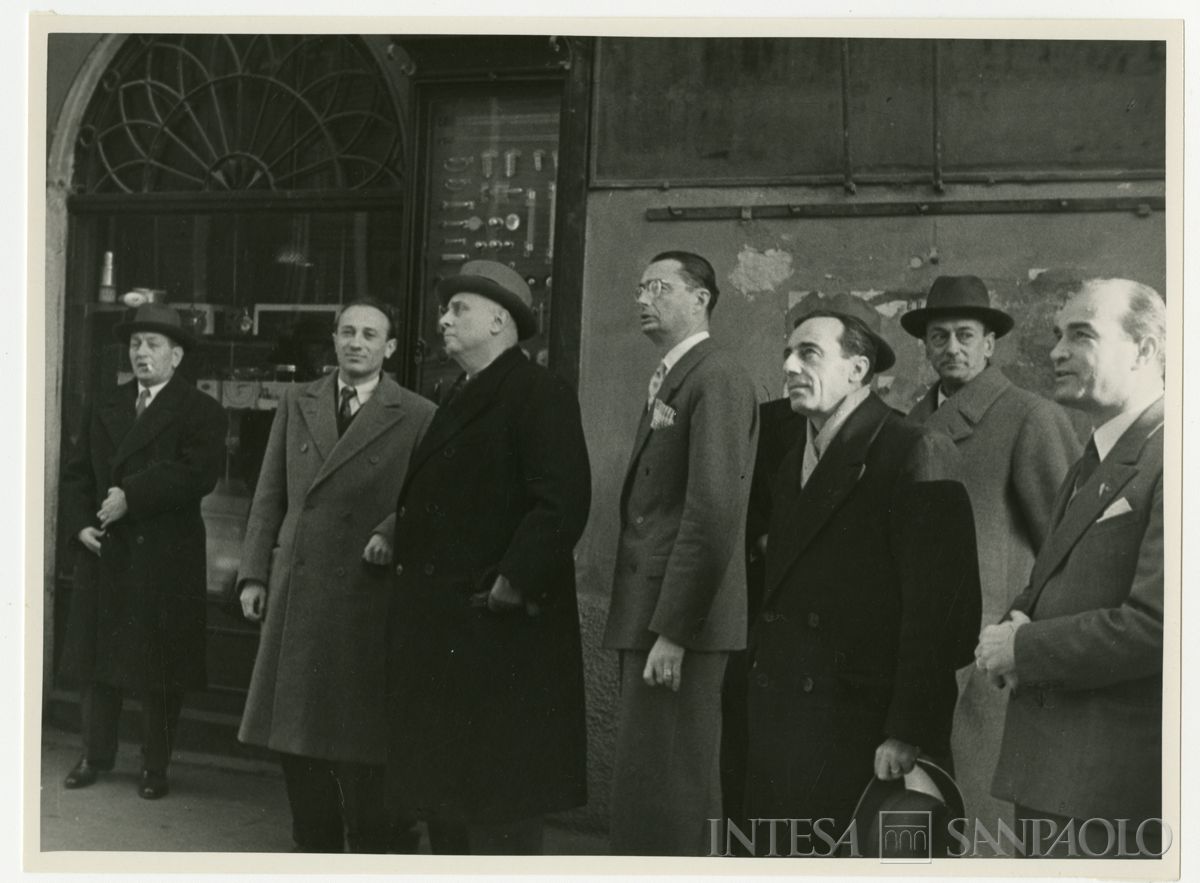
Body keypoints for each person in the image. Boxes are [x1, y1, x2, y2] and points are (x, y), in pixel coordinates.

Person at [743, 304, 980, 845]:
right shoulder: (793, 458)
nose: (790, 367)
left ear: (857, 370)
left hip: (865, 732)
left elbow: (944, 615)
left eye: (809, 353)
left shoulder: (915, 448)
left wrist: (908, 731)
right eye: (787, 354)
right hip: (787, 718)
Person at [384, 261, 591, 855]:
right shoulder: (460, 393)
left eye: (459, 309)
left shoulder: (538, 392)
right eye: (445, 310)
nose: (443, 321)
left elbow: (562, 502)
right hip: (447, 630)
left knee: (498, 806)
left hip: (495, 631)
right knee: (448, 798)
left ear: (500, 320)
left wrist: (512, 581)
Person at [235, 300, 435, 853]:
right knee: (297, 741)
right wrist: (253, 574)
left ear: (389, 348)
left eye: (370, 335)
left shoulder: (417, 413)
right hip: (299, 592)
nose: (356, 343)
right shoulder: (298, 401)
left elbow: (429, 500)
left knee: (361, 748)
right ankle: (314, 851)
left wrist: (391, 531)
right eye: (347, 332)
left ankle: (370, 851)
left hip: (366, 594)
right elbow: (269, 492)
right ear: (334, 339)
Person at [980, 279, 1166, 858]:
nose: (1057, 352)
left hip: (1112, 794)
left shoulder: (1174, 455)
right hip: (1059, 780)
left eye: (1081, 335)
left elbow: (1161, 628)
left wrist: (1023, 648)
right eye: (1058, 335)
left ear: (1144, 350)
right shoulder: (1097, 455)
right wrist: (1014, 619)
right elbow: (1056, 576)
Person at [902, 275, 1081, 833]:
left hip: (991, 659)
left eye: (965, 335)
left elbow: (1068, 549)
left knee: (986, 825)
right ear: (925, 346)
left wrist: (1031, 643)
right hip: (917, 655)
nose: (951, 348)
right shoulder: (907, 426)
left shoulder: (1030, 417)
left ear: (989, 344)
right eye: (938, 337)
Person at [603, 250, 759, 856]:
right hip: (656, 615)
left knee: (673, 789)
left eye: (660, 288)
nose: (644, 299)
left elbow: (712, 514)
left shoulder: (715, 375)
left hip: (677, 625)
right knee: (651, 784)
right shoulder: (679, 374)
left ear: (701, 299)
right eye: (640, 288)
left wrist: (673, 629)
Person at [59, 303, 225, 799]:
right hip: (105, 548)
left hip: (164, 556)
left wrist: (131, 495)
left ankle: (155, 766)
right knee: (97, 663)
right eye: (135, 344)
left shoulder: (200, 410)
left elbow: (198, 473)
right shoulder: (105, 403)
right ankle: (95, 755)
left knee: (161, 668)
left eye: (153, 344)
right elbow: (77, 474)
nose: (141, 353)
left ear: (177, 356)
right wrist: (80, 526)